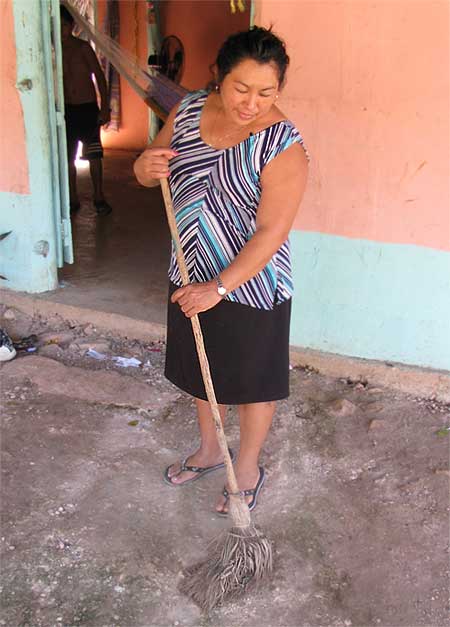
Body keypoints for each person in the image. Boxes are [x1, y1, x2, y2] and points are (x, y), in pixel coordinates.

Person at [134, 27, 308, 515]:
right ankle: (211, 451)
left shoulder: (283, 145)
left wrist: (220, 286)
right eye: (240, 88)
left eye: (266, 92)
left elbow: (271, 233)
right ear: (218, 78)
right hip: (190, 269)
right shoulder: (188, 111)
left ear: (279, 90)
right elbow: (152, 166)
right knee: (201, 371)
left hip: (252, 284)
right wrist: (143, 171)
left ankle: (247, 467)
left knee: (254, 380)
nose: (251, 103)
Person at [60, 5, 112, 215]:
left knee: (94, 156)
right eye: (58, 26)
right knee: (68, 157)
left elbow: (100, 77)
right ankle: (72, 198)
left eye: (64, 25)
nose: (61, 30)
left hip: (88, 109)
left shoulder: (83, 48)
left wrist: (105, 108)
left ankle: (99, 196)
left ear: (72, 26)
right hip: (66, 110)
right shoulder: (52, 51)